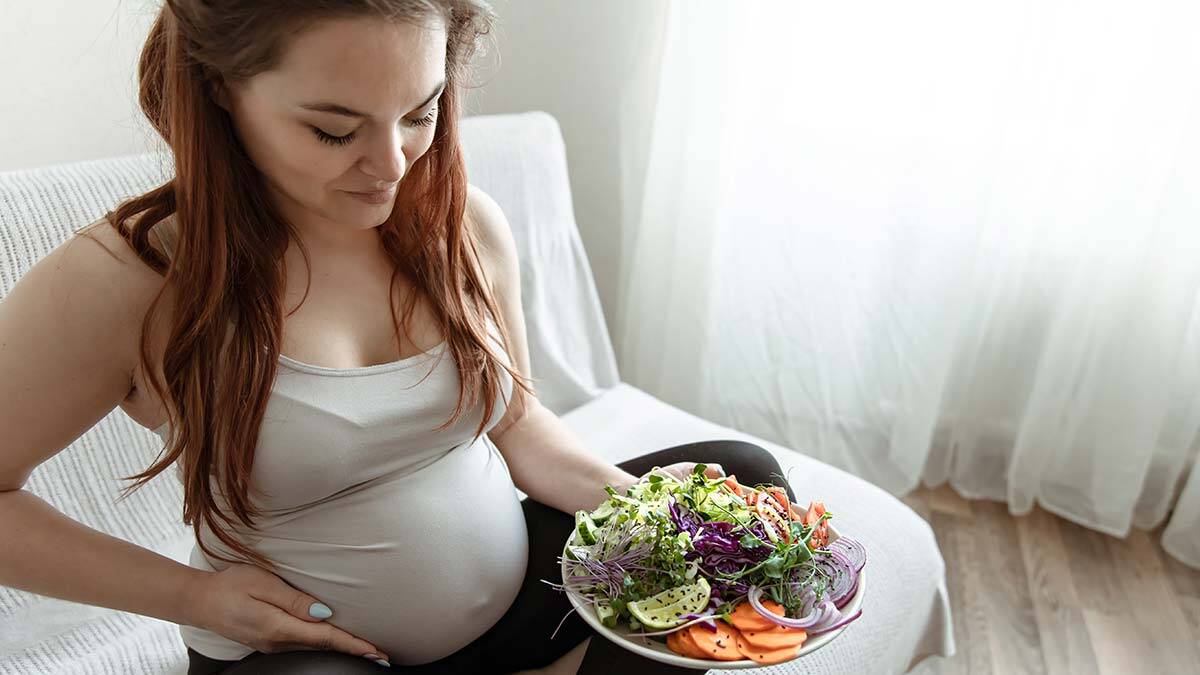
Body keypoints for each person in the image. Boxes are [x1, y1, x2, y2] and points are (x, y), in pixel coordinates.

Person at [0, 1, 798, 673]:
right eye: (333, 131)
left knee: (742, 490)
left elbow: (518, 423)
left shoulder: (460, 224)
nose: (391, 165)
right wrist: (194, 597)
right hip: (314, 651)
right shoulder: (132, 276)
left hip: (518, 611)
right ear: (219, 90)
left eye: (420, 113)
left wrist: (647, 507)